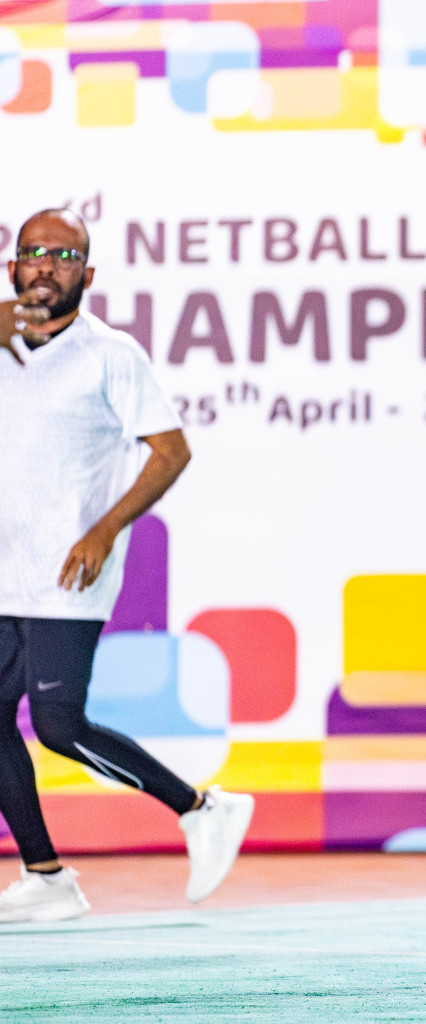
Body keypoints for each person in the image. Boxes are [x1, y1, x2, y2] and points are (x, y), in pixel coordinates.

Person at [0, 209, 255, 923]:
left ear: (88, 272)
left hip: (66, 569)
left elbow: (171, 450)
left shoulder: (111, 354)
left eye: (63, 254)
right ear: (13, 266)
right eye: (32, 253)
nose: (45, 265)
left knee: (57, 724)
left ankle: (203, 807)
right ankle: (46, 876)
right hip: (5, 570)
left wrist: (106, 530)